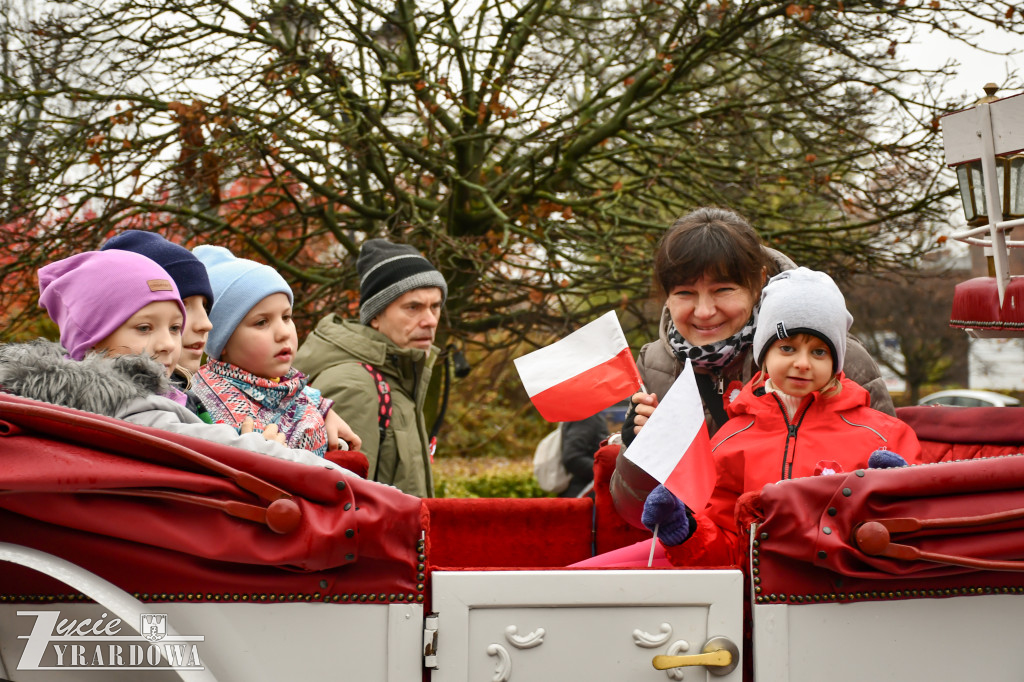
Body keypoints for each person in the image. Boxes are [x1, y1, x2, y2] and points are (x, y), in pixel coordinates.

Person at [609, 207, 896, 532]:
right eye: (685, 293)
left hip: (819, 545)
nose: (704, 311)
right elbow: (636, 514)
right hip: (699, 547)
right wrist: (639, 453)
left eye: (722, 290)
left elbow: (891, 473)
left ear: (758, 282)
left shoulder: (831, 356)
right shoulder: (656, 367)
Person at [640, 268, 922, 566]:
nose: (802, 363)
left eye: (819, 352)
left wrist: (901, 499)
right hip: (763, 595)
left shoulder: (884, 436)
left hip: (853, 591)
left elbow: (917, 533)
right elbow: (728, 554)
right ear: (763, 353)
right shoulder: (729, 441)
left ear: (836, 360)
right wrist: (684, 532)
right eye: (787, 348)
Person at [0, 250, 350, 471]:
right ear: (90, 339)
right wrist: (278, 457)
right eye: (144, 328)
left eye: (173, 328)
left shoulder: (161, 397)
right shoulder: (127, 408)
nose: (168, 344)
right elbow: (220, 447)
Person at [294, 238, 447, 497]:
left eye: (435, 306)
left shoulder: (397, 377)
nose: (430, 320)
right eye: (413, 307)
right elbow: (343, 504)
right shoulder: (354, 384)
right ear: (375, 316)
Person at [190, 245, 358, 455]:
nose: (283, 333)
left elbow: (292, 393)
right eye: (261, 322)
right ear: (223, 340)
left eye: (286, 317)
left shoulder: (278, 383)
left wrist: (325, 410)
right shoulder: (219, 415)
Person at [100, 230, 215, 420]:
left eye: (205, 306)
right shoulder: (126, 407)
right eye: (183, 304)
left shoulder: (188, 398)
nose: (206, 324)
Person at [559, 413, 609, 498]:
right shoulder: (586, 418)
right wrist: (605, 471)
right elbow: (572, 457)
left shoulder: (587, 417)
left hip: (583, 491)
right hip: (583, 493)